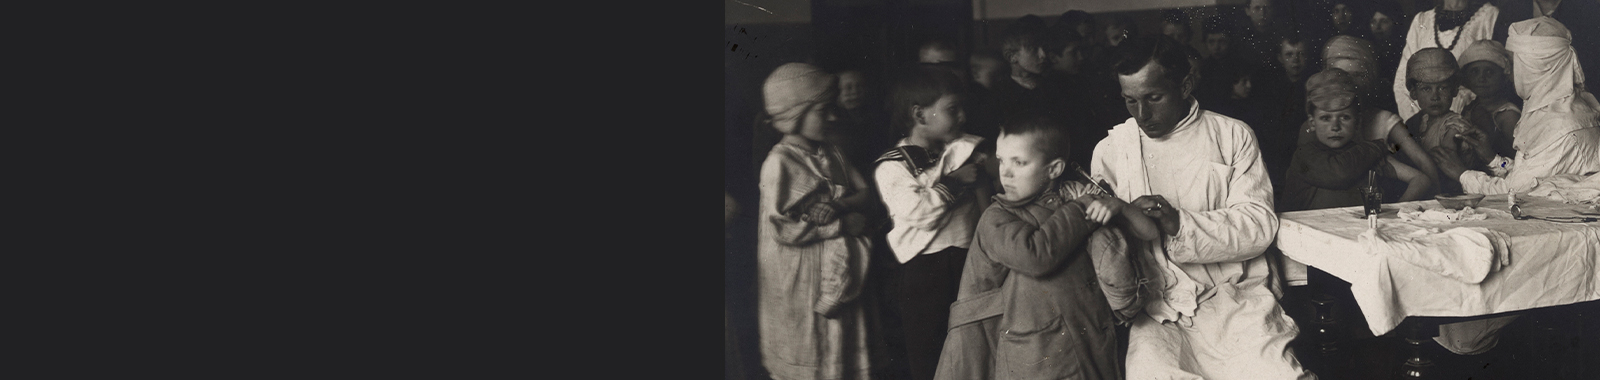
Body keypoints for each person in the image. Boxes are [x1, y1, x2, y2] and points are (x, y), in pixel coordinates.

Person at [1090, 36, 1314, 379]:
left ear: (1184, 85)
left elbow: (1259, 226)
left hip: (1235, 299)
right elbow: (1104, 245)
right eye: (1130, 100)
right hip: (1159, 306)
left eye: (1153, 98)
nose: (1142, 114)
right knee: (1150, 371)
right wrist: (1126, 214)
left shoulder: (1232, 135)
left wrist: (1179, 224)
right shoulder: (1112, 150)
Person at [931, 112, 1156, 380]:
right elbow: (1035, 256)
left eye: (1020, 162)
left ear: (1054, 170)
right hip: (1034, 357)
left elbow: (1149, 232)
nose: (1006, 172)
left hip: (1088, 345)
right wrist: (1082, 207)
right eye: (1002, 160)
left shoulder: (1073, 197)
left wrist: (1120, 206)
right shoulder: (996, 217)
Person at [756, 62, 876, 380]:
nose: (833, 117)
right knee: (810, 349)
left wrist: (838, 205)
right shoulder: (779, 163)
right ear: (796, 113)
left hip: (837, 273)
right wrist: (840, 225)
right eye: (824, 111)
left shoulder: (832, 152)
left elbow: (865, 193)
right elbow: (781, 226)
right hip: (799, 275)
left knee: (840, 351)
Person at [875, 66, 990, 380]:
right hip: (924, 271)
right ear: (919, 114)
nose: (963, 116)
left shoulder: (965, 150)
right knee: (929, 351)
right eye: (952, 109)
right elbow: (919, 213)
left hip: (969, 261)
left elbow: (986, 203)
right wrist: (953, 183)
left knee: (973, 344)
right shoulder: (893, 167)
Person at [1442, 17, 1600, 196]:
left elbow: (1514, 191)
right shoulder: (1555, 108)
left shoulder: (1560, 124)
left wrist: (1461, 174)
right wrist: (1493, 159)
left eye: (1516, 63)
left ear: (1533, 68)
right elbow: (1526, 176)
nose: (1511, 72)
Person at [1306, 35, 1442, 200]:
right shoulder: (1319, 124)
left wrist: (1435, 199)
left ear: (1370, 77)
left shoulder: (1383, 119)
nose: (1350, 84)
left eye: (1358, 75)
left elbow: (1421, 161)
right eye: (1340, 74)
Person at [1282, 68, 1434, 212]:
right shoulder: (1304, 155)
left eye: (1345, 117)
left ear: (1358, 121)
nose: (1335, 126)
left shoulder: (1366, 151)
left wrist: (1397, 210)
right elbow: (1339, 173)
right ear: (1312, 122)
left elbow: (1420, 179)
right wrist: (1376, 147)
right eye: (1325, 118)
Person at [1393, 0, 1504, 121]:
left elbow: (1494, 75)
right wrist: (1420, 123)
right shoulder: (1422, 20)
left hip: (1470, 117)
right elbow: (1402, 81)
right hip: (1422, 121)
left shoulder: (1489, 16)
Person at [1404, 47, 1477, 194]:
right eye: (1426, 89)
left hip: (1450, 196)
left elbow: (1443, 163)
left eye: (1443, 88)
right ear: (1413, 93)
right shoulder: (1416, 122)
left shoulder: (1455, 125)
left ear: (1455, 90)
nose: (1435, 96)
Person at [1496, 0, 1600, 95]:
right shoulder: (1512, 7)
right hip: (1520, 97)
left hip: (1573, 94)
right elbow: (1498, 56)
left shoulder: (1590, 8)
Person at [1457, 40, 1521, 161]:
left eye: (1489, 72)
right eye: (1475, 72)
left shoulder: (1508, 115)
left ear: (1504, 76)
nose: (1481, 78)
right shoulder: (1470, 104)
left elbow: (1517, 157)